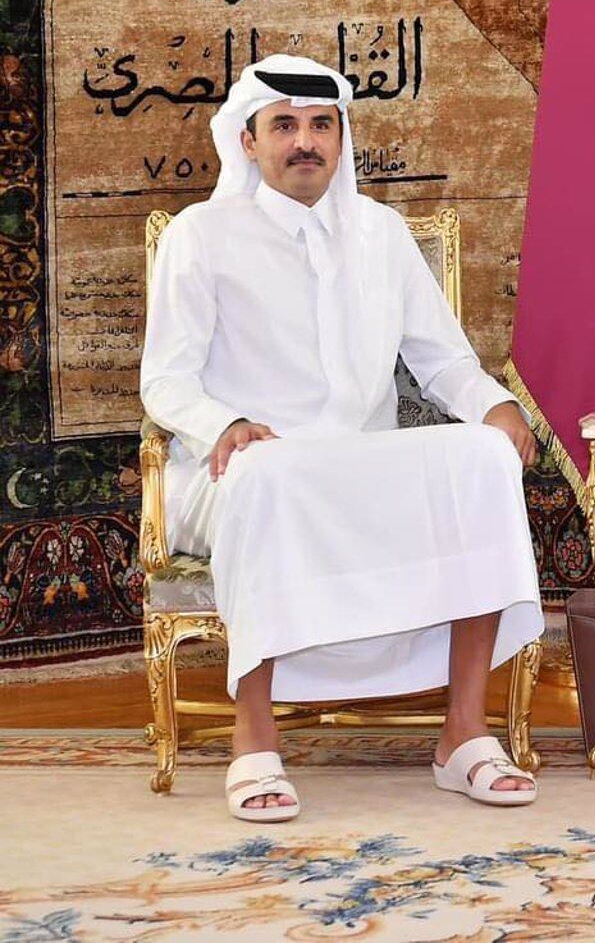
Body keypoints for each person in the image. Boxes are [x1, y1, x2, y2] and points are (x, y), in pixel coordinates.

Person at [141, 54, 545, 821]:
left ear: (340, 137)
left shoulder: (381, 233)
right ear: (250, 141)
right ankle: (254, 739)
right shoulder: (201, 235)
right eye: (284, 125)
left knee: (482, 461)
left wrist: (496, 408)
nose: (305, 142)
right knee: (265, 473)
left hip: (360, 471)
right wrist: (223, 423)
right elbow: (164, 381)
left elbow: (442, 359)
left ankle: (462, 733)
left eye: (321, 125)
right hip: (242, 472)